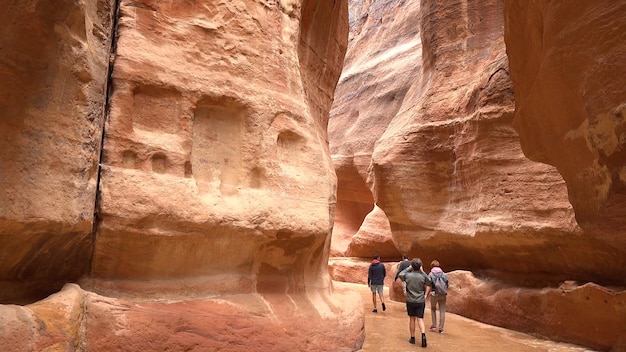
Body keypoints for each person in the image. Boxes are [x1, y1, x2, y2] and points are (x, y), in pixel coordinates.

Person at [398, 258, 431, 347]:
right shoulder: (423, 277)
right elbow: (429, 281)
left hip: (410, 300)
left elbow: (400, 274)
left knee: (412, 319)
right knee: (420, 319)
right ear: (420, 266)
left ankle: (412, 338)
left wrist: (409, 268)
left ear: (412, 266)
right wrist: (422, 271)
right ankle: (423, 335)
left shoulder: (408, 276)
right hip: (420, 301)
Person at [428, 259, 449, 334]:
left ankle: (434, 325)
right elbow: (447, 284)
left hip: (434, 294)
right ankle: (441, 328)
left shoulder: (431, 274)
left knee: (433, 308)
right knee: (442, 311)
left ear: (432, 266)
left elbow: (429, 284)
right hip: (443, 294)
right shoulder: (443, 274)